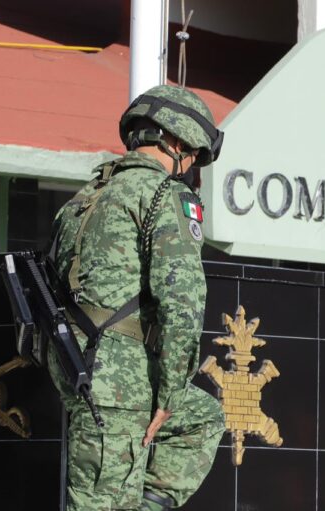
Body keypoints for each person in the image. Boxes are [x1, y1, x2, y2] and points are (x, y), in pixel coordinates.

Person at [47, 84, 225, 511]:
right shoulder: (165, 195)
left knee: (201, 416)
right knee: (101, 503)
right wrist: (168, 395)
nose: (191, 166)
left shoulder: (85, 196)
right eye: (195, 156)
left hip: (79, 364)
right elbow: (181, 302)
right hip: (118, 381)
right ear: (177, 142)